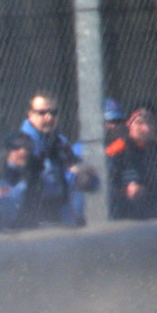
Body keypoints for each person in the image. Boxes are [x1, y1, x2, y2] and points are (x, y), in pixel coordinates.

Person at [13, 91, 97, 228]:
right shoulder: (22, 144)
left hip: (61, 215)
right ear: (30, 115)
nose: (49, 117)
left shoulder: (59, 141)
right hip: (32, 219)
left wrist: (83, 172)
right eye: (42, 113)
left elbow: (86, 176)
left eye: (53, 112)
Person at [105, 102, 157, 220]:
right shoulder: (116, 150)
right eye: (139, 123)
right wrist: (126, 191)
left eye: (150, 123)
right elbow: (105, 187)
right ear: (129, 124)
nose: (146, 129)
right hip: (127, 216)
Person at [0, 131, 37, 231]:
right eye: (16, 147)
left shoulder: (31, 180)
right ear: (6, 150)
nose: (23, 152)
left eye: (27, 147)